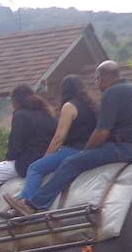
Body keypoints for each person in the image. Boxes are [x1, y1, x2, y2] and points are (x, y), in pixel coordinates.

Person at [17, 60, 132, 211]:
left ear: (101, 78)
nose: (98, 85)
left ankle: (35, 204)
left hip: (126, 149)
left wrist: (86, 152)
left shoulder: (111, 93)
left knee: (71, 163)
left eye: (97, 80)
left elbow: (102, 132)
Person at [0, 84, 57, 219]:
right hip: (47, 161)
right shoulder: (49, 116)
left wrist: (9, 159)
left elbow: (15, 146)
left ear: (16, 101)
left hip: (24, 163)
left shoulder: (20, 115)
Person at [17, 73, 99, 206]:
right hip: (88, 150)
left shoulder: (69, 107)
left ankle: (25, 202)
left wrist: (46, 156)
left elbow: (59, 137)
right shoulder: (91, 106)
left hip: (72, 150)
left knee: (35, 168)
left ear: (64, 90)